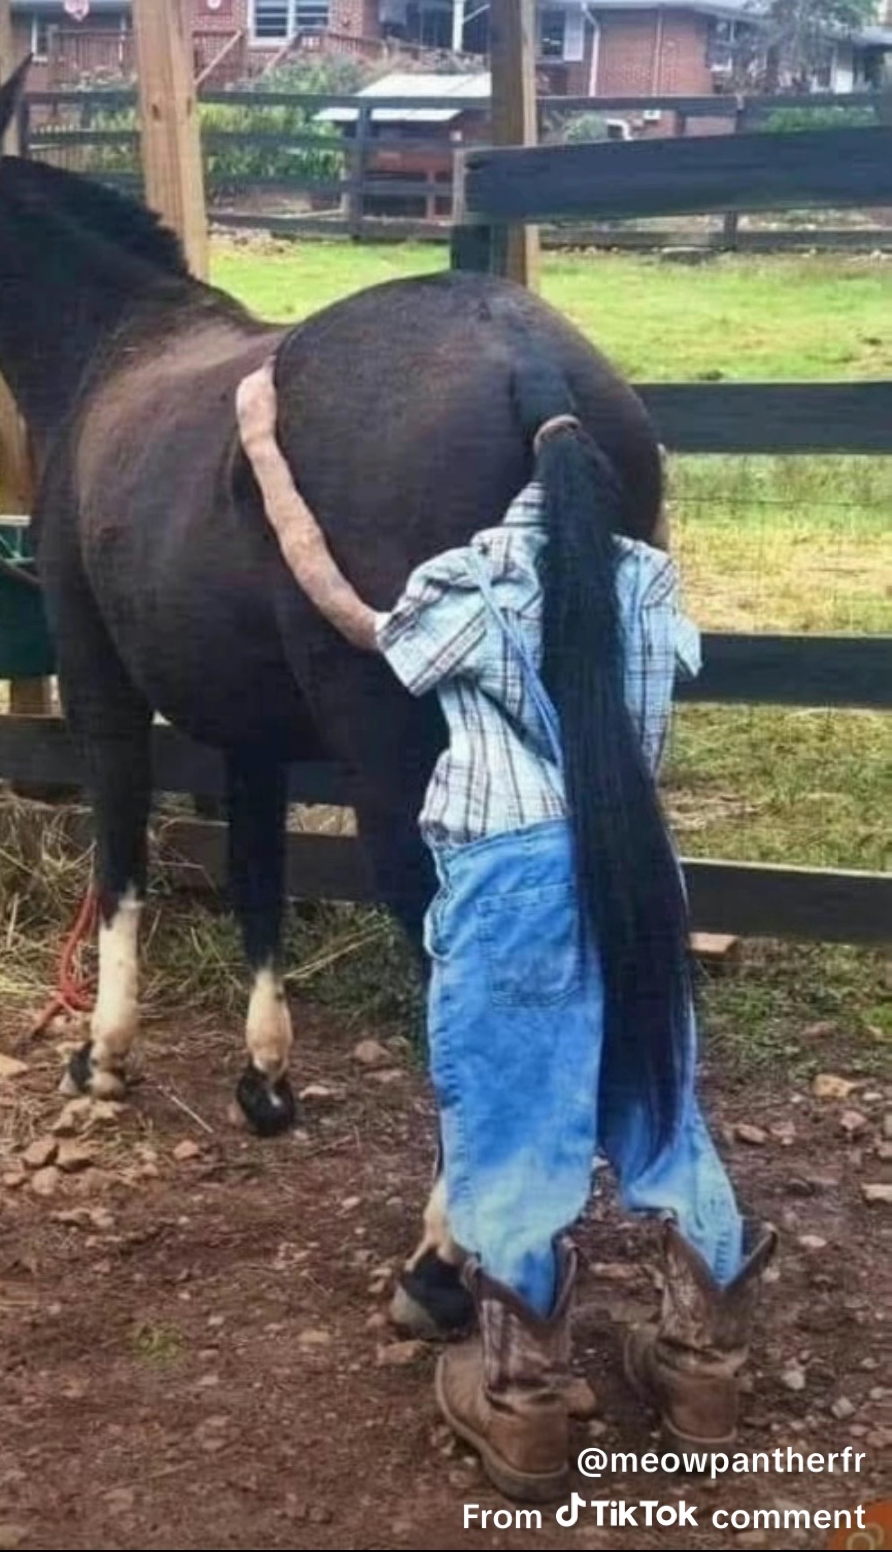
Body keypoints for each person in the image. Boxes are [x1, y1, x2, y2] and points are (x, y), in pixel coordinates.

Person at [235, 358, 775, 1504]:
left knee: (513, 1117)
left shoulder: (469, 582)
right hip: (636, 865)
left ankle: (524, 1402)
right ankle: (703, 1368)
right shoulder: (644, 581)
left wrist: (270, 455)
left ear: (515, 474)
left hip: (509, 876)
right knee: (660, 1094)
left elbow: (343, 608)